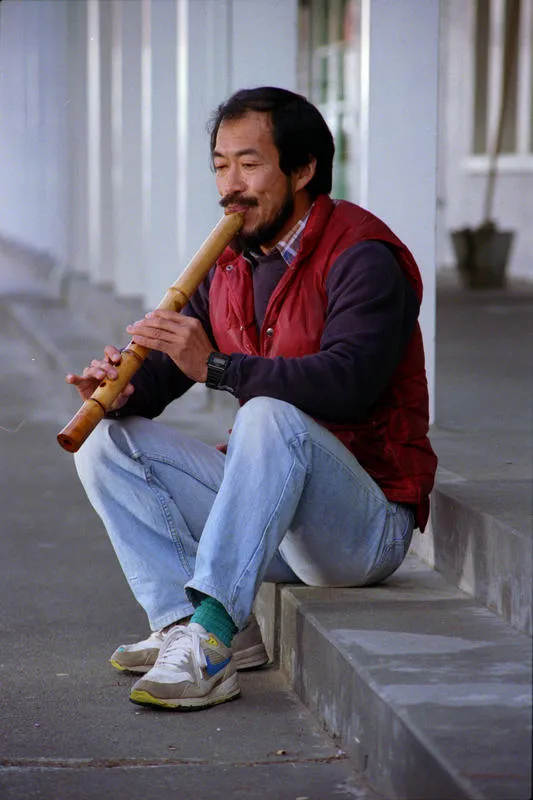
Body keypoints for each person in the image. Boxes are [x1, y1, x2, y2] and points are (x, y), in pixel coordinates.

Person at [68, 86, 437, 711]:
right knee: (107, 440)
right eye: (219, 164)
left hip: (361, 528)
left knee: (268, 415)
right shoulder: (234, 263)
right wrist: (125, 388)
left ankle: (210, 636)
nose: (230, 185)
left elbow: (348, 384)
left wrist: (216, 366)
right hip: (274, 514)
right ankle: (183, 625)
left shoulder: (363, 256)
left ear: (302, 170)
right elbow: (170, 375)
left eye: (249, 163)